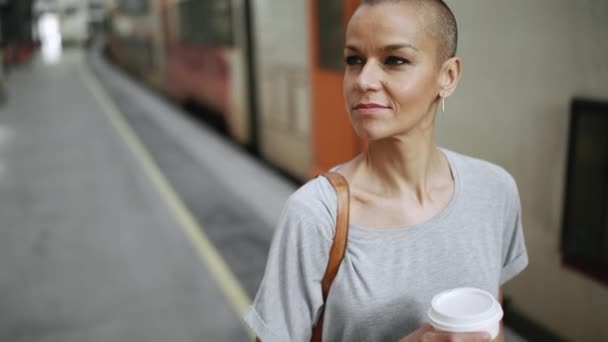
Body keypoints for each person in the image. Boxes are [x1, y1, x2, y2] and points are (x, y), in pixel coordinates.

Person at [244, 0, 528, 341]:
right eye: (354, 60)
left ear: (448, 76)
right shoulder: (316, 216)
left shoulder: (495, 191)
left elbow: (490, 319)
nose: (364, 79)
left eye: (395, 60)